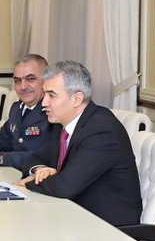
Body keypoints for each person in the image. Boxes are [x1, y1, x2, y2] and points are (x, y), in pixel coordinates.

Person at [14, 61, 142, 227]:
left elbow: (64, 187)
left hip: (106, 228)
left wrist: (29, 182)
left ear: (77, 99)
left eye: (52, 95)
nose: (44, 103)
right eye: (45, 94)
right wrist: (40, 171)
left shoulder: (102, 130)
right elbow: (34, 158)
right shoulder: (63, 125)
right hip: (73, 216)